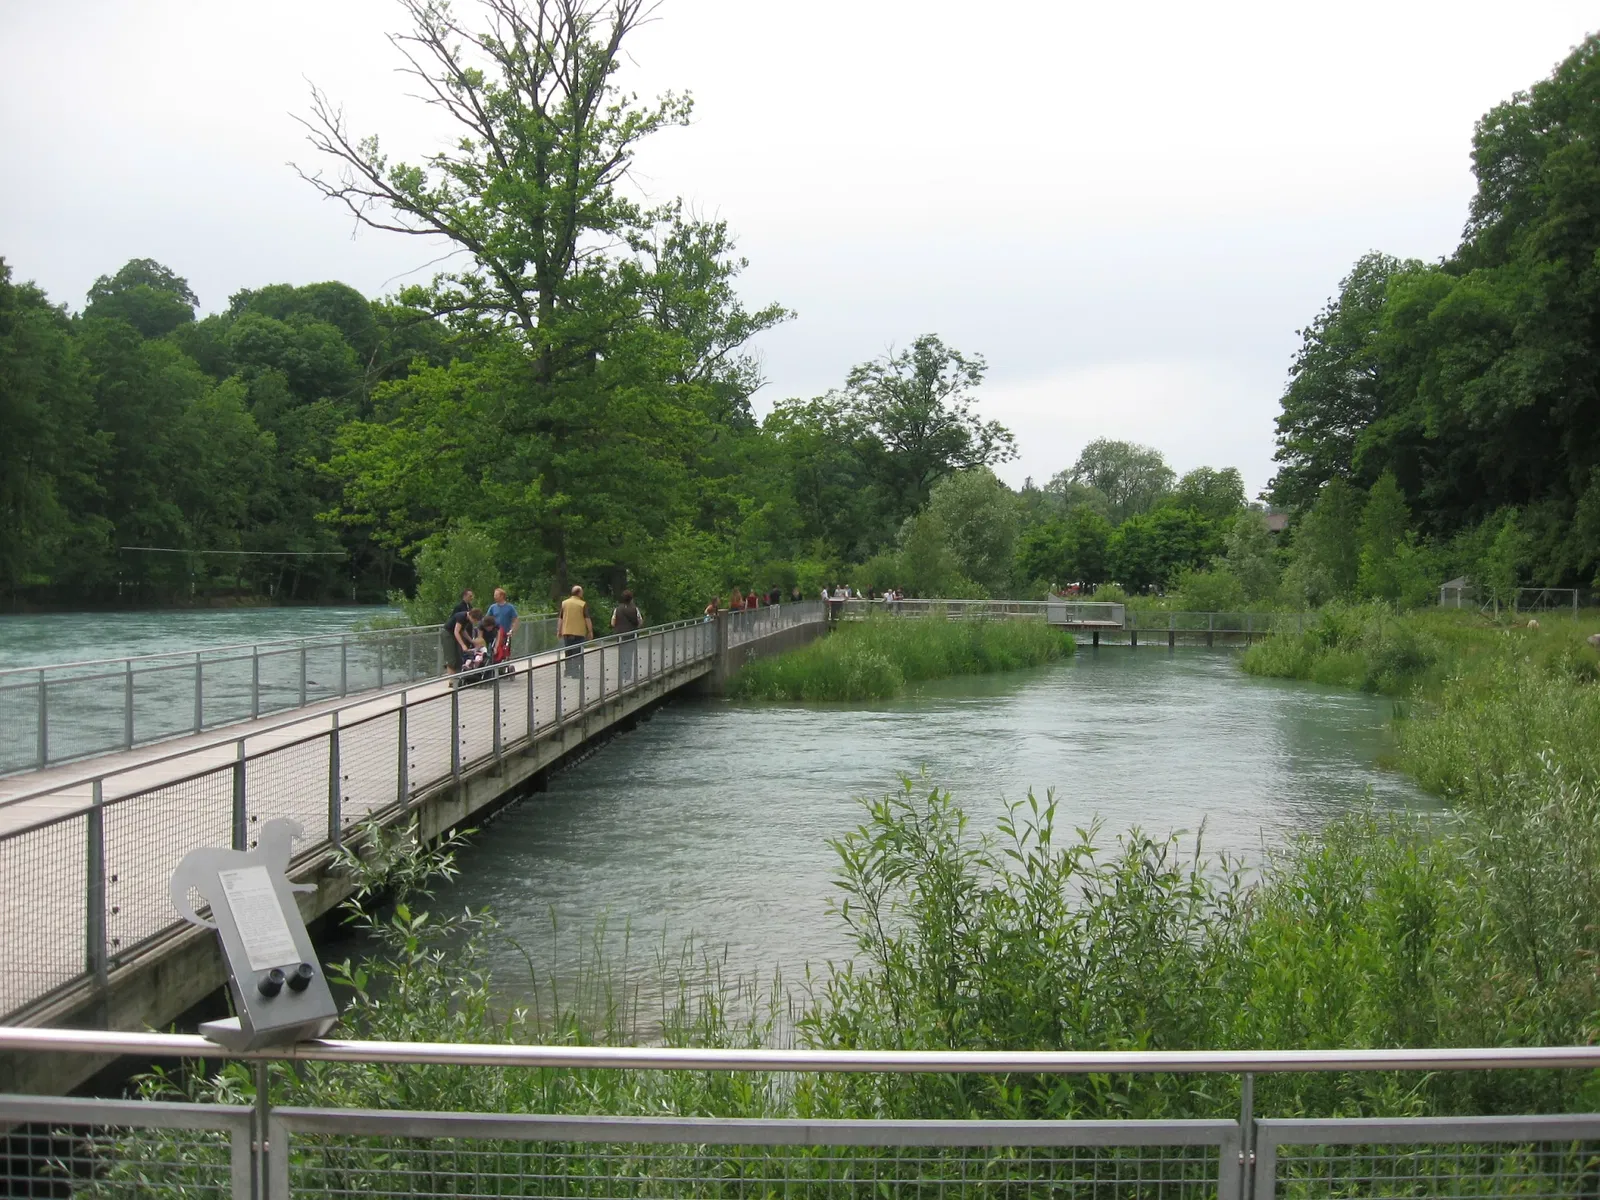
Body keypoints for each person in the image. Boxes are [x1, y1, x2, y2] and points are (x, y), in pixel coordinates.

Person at [559, 585, 592, 677]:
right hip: (579, 632)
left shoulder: (564, 603)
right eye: (582, 592)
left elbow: (561, 618)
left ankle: (568, 671)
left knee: (568, 652)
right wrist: (590, 631)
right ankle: (576, 672)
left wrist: (559, 630)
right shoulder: (582, 604)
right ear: (579, 593)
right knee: (577, 652)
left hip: (567, 631)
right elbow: (587, 618)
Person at [611, 588, 643, 683]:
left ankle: (621, 674)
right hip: (631, 635)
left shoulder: (617, 609)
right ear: (631, 599)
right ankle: (627, 674)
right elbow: (640, 621)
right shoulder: (635, 609)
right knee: (629, 655)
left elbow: (613, 623)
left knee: (622, 655)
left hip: (620, 635)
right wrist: (635, 627)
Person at [442, 588, 474, 674]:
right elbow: (457, 628)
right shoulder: (459, 608)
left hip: (460, 632)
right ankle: (452, 680)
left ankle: (458, 675)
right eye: (470, 596)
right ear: (465, 596)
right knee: (451, 656)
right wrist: (463, 644)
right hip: (451, 632)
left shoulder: (470, 607)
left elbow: (463, 629)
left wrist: (471, 640)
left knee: (459, 655)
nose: (472, 598)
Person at [486, 587, 519, 660]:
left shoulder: (510, 607)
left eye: (496, 595)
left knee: (505, 650)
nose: (494, 597)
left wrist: (512, 630)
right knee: (494, 649)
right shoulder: (493, 607)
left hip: (505, 633)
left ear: (502, 596)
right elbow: (487, 619)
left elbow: (515, 620)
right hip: (495, 633)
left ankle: (505, 664)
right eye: (494, 595)